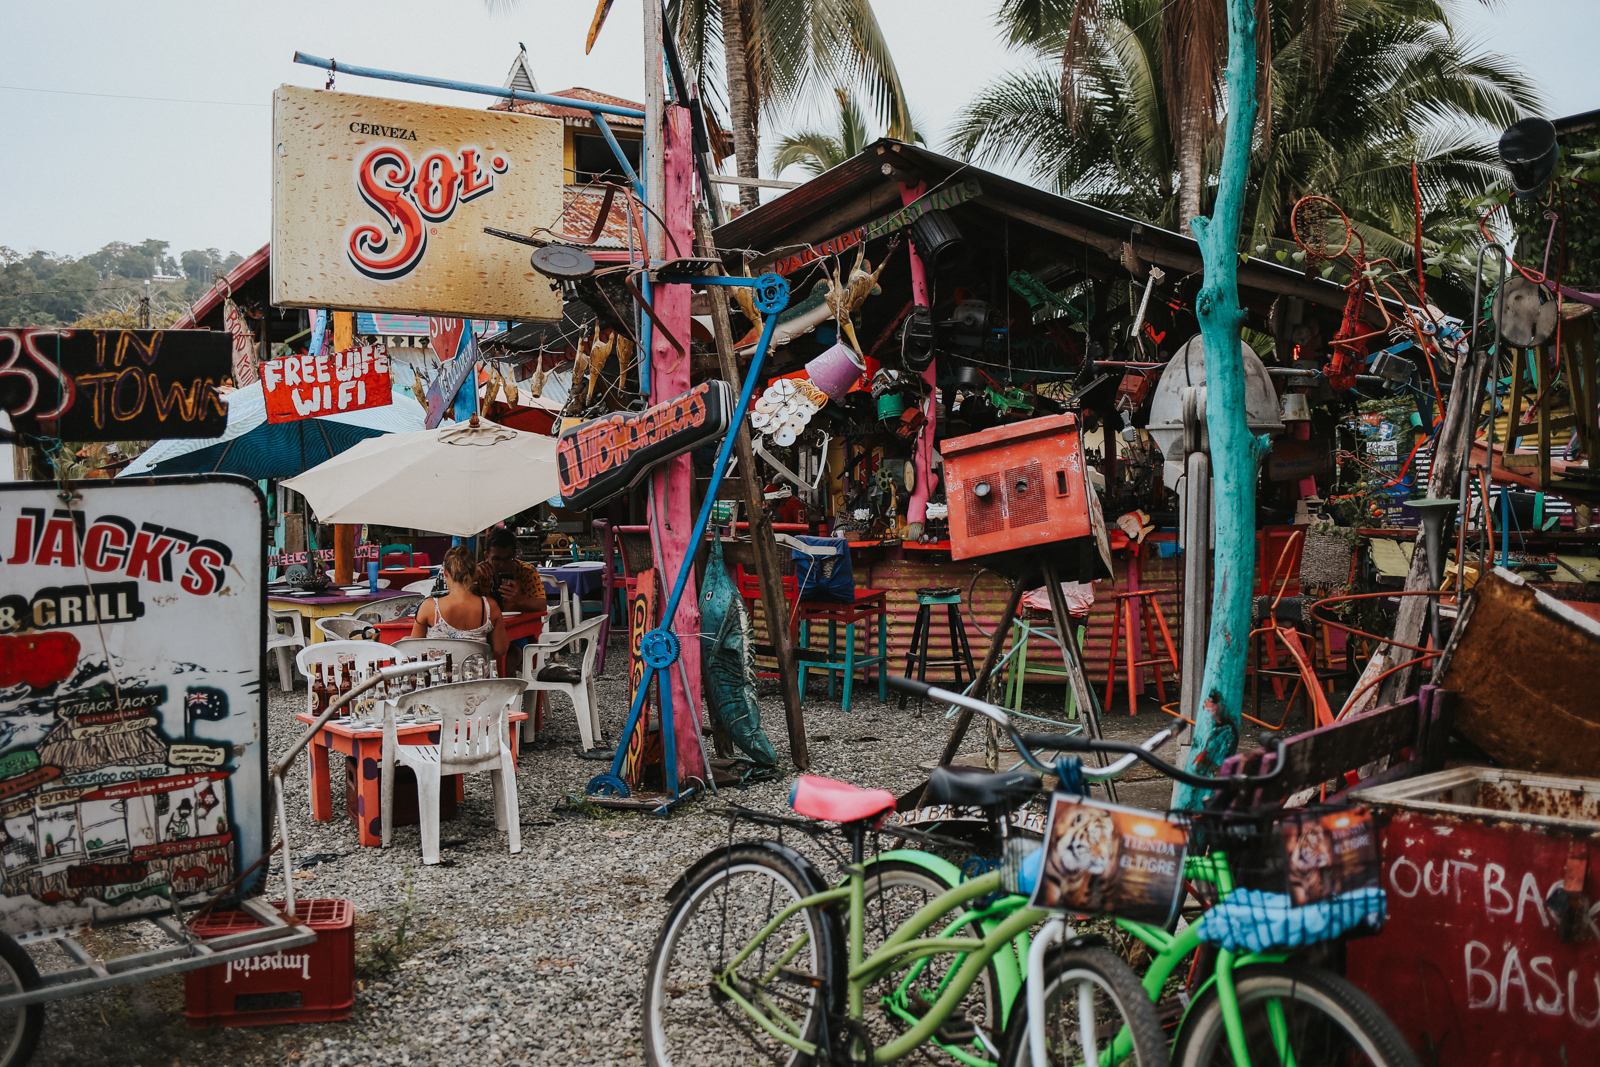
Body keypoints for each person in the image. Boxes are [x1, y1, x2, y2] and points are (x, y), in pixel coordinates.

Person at [411, 546, 510, 658]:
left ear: (446, 572)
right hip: (477, 674)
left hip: (439, 674)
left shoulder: (429, 607)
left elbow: (414, 648)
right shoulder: (489, 607)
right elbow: (501, 649)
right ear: (474, 573)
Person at [474, 527, 546, 615]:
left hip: (518, 625)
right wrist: (470, 577)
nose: (502, 564)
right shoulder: (479, 573)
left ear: (515, 555)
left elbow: (542, 606)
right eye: (496, 559)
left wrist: (520, 599)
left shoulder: (526, 571)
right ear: (486, 556)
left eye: (508, 558)